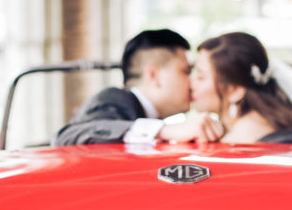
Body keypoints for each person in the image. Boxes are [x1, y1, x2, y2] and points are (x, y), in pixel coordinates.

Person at [52, 29, 222, 146]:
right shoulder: (114, 99)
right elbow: (66, 137)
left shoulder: (145, 114)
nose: (192, 82)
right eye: (186, 71)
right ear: (154, 76)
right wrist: (165, 131)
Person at [191, 32, 292, 146]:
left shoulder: (239, 140)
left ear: (235, 90)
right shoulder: (275, 123)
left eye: (200, 77)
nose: (192, 84)